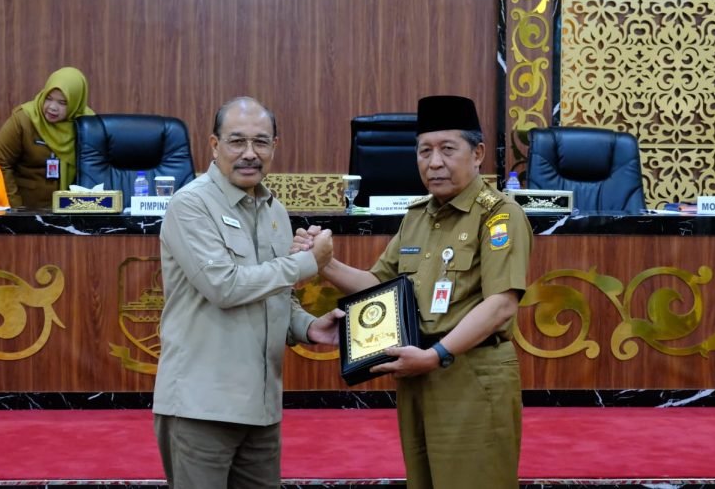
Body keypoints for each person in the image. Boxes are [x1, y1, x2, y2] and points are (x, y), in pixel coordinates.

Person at [295, 95, 533, 488]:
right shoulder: (419, 217)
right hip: (416, 371)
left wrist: (437, 355)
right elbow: (379, 287)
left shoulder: (499, 214)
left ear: (477, 153)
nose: (434, 162)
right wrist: (324, 263)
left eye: (447, 149)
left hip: (471, 374)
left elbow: (501, 304)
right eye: (424, 151)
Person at [152, 96, 343, 489]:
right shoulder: (191, 205)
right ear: (214, 145)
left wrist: (308, 327)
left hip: (262, 408)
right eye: (237, 141)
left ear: (276, 145)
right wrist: (311, 263)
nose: (250, 154)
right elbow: (225, 286)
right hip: (202, 407)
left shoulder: (274, 210)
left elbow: (274, 293)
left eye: (262, 142)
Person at [0, 67, 94, 208]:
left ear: (75, 103)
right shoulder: (23, 120)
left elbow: (96, 169)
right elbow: (0, 162)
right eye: (48, 98)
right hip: (26, 210)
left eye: (62, 103)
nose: (52, 107)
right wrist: (15, 209)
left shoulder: (88, 125)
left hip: (71, 211)